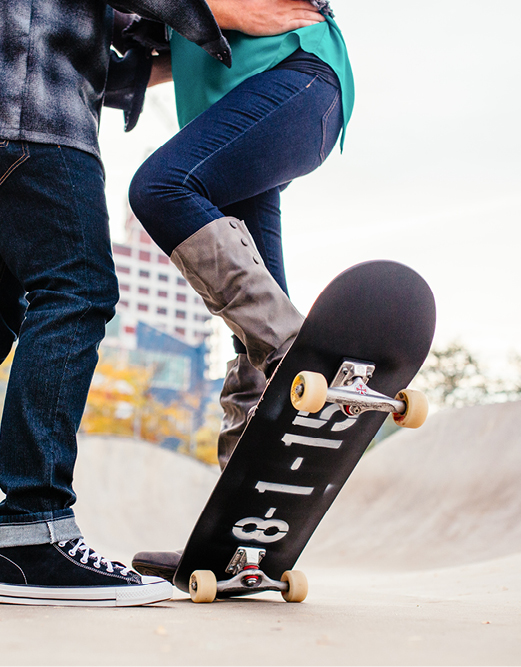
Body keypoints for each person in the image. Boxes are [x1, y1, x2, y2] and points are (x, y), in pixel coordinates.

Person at [0, 0, 319, 608]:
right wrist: (223, 12)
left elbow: (102, 52)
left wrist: (178, 48)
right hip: (28, 106)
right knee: (76, 289)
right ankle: (34, 537)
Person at [124, 0, 354, 579]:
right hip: (237, 114)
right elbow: (154, 52)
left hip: (295, 80)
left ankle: (296, 349)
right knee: (253, 325)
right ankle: (234, 539)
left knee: (161, 187)